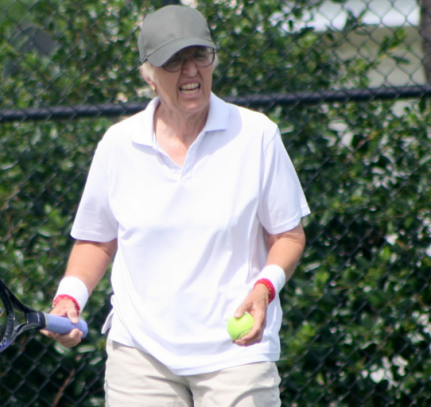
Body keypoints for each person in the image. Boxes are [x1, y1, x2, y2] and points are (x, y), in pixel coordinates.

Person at [43, 5, 309, 406]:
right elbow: (96, 241)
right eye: (173, 61)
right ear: (149, 75)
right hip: (141, 354)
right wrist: (69, 299)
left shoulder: (257, 135)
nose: (190, 72)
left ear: (213, 59)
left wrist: (264, 289)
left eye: (199, 56)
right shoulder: (118, 144)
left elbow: (288, 235)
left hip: (237, 357)